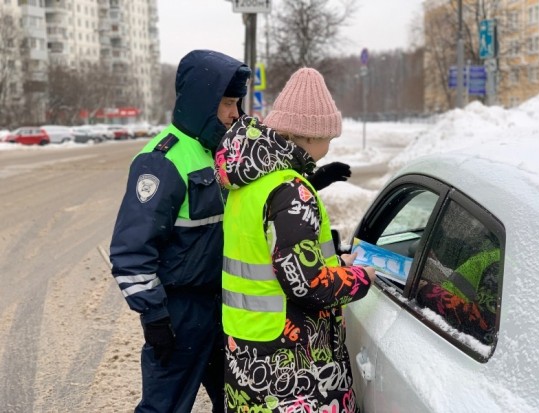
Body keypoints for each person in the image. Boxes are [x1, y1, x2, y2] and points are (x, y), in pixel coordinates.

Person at [215, 67, 376, 412]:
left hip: (247, 347)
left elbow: (272, 255)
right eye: (328, 138)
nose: (329, 146)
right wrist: (360, 278)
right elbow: (307, 285)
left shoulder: (248, 183)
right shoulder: (292, 191)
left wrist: (336, 265)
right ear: (308, 135)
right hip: (289, 363)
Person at [109, 49, 252, 412]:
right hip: (179, 312)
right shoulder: (162, 161)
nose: (235, 114)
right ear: (203, 103)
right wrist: (154, 316)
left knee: (240, 401)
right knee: (164, 408)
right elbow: (131, 251)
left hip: (223, 305)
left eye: (237, 103)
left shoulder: (216, 150)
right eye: (228, 104)